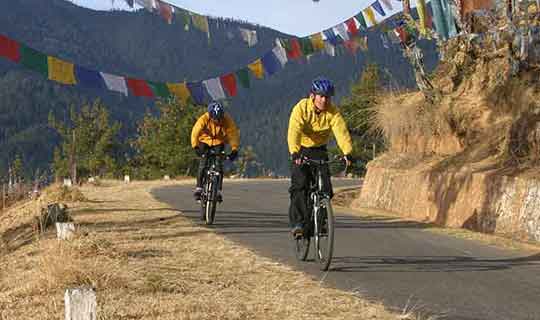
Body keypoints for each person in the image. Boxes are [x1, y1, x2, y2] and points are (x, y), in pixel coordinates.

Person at [287, 77, 353, 238]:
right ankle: (299, 224)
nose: (324, 100)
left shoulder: (332, 112)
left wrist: (347, 152)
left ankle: (321, 221)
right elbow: (294, 130)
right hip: (301, 150)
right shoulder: (301, 108)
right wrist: (295, 152)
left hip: (319, 150)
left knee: (326, 190)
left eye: (327, 97)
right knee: (299, 186)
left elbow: (341, 132)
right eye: (321, 96)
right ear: (313, 96)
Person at [191, 101, 240, 201]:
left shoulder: (227, 120)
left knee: (219, 164)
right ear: (209, 114)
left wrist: (234, 149)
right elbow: (195, 132)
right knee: (203, 162)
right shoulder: (203, 119)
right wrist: (195, 147)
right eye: (214, 118)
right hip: (204, 140)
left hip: (218, 141)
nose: (216, 121)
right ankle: (199, 188)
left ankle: (217, 191)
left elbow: (233, 134)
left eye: (219, 119)